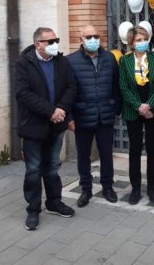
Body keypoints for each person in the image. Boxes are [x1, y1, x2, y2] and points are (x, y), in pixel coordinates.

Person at [15, 27, 77, 230]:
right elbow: (23, 94)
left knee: (52, 167)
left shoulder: (61, 61)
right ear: (38, 44)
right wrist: (50, 111)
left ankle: (54, 202)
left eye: (56, 40)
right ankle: (33, 210)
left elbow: (71, 87)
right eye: (50, 41)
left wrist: (60, 110)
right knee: (33, 170)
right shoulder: (24, 64)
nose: (54, 44)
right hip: (34, 127)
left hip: (56, 125)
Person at [67, 25, 121, 207]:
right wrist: (70, 117)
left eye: (96, 36)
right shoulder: (71, 61)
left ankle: (107, 187)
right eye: (88, 36)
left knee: (106, 154)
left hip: (105, 115)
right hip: (82, 117)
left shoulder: (109, 58)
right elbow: (66, 92)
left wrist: (116, 108)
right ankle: (86, 189)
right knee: (83, 155)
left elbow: (116, 86)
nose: (93, 39)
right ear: (81, 39)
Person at [117, 26, 154, 205]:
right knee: (135, 149)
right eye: (138, 40)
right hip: (133, 109)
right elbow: (123, 87)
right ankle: (136, 187)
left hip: (153, 109)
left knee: (152, 148)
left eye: (144, 39)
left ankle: (152, 186)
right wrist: (139, 106)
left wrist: (149, 106)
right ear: (131, 43)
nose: (142, 43)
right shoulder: (124, 61)